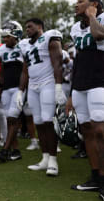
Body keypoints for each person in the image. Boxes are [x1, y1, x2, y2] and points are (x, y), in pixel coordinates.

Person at [66, 0, 104, 200]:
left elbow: (99, 35)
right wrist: (72, 92)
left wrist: (93, 17)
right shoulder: (74, 28)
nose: (76, 5)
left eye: (81, 2)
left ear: (94, 5)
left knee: (101, 130)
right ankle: (95, 177)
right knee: (87, 131)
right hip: (81, 83)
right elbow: (79, 58)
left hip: (101, 80)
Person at [17, 18, 66, 176]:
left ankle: (53, 160)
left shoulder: (50, 37)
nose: (27, 30)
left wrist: (58, 86)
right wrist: (20, 91)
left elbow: (58, 62)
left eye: (30, 27)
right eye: (26, 28)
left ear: (40, 26)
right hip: (33, 86)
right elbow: (25, 70)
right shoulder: (25, 45)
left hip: (48, 83)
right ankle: (45, 158)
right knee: (38, 121)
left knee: (47, 120)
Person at [0, 21, 25, 162]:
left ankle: (5, 150)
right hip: (6, 88)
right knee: (9, 119)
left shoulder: (24, 47)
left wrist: (23, 89)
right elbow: (2, 72)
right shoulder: (1, 50)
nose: (5, 40)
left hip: (19, 88)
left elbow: (27, 70)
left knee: (12, 118)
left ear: (16, 35)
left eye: (7, 36)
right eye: (4, 37)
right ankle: (16, 150)